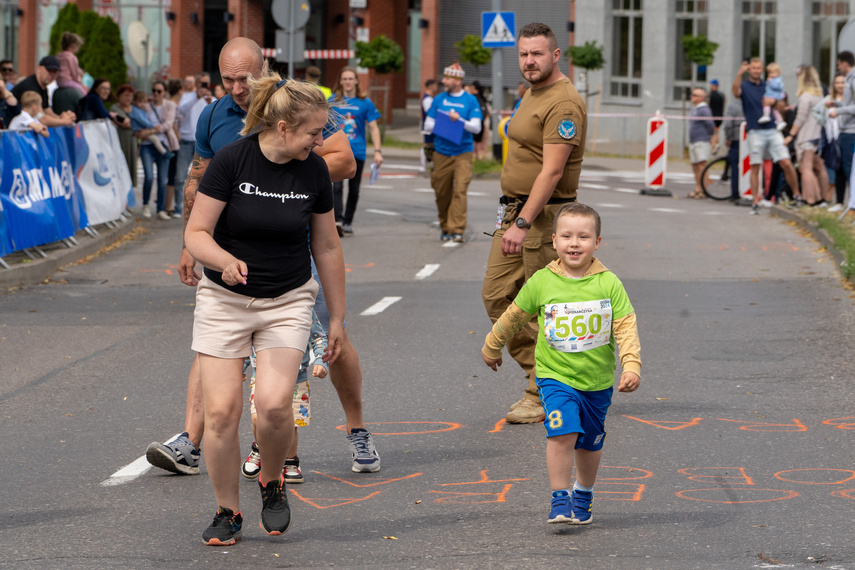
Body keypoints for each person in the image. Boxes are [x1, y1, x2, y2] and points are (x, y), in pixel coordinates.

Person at [146, 37, 378, 480]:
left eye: (245, 78)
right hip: (233, 247)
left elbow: (345, 162)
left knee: (331, 339)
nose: (236, 87)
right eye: (227, 78)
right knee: (214, 346)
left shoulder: (296, 105)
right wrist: (188, 242)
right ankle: (192, 441)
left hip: (293, 241)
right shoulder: (215, 113)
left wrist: (283, 176)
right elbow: (200, 178)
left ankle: (357, 427)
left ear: (265, 69)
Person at [184, 72, 346, 545]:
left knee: (275, 406)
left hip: (288, 299)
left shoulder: (313, 171)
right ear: (281, 127)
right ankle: (228, 511)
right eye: (314, 132)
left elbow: (329, 246)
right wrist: (224, 260)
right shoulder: (232, 161)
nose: (320, 141)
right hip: (223, 300)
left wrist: (336, 317)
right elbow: (196, 234)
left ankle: (271, 482)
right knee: (221, 414)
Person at [481, 202, 641, 525]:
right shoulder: (542, 281)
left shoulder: (609, 284)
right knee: (562, 433)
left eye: (583, 237)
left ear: (597, 243)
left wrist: (631, 364)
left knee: (590, 444)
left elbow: (625, 325)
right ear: (553, 241)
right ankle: (559, 497)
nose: (574, 243)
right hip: (555, 377)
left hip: (596, 382)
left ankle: (584, 492)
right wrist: (492, 344)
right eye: (566, 236)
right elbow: (514, 316)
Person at [482, 22, 586, 424]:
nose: (529, 61)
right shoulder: (532, 92)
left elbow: (553, 171)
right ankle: (547, 378)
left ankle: (541, 392)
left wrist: (523, 223)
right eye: (524, 54)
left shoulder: (563, 102)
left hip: (541, 217)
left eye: (537, 53)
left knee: (544, 306)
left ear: (556, 55)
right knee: (497, 296)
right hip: (515, 212)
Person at [242, 310, 328, 483]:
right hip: (261, 375)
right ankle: (259, 448)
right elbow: (245, 340)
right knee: (258, 418)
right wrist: (240, 365)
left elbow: (318, 337)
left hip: (296, 377)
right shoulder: (256, 306)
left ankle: (290, 461)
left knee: (292, 422)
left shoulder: (302, 308)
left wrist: (320, 360)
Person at [732, 57, 799, 215]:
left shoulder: (769, 84)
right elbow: (735, 92)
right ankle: (756, 201)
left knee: (786, 162)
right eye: (753, 68)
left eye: (758, 68)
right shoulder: (744, 85)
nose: (756, 71)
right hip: (755, 130)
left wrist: (773, 103)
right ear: (749, 70)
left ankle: (797, 195)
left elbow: (782, 105)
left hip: (772, 129)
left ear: (762, 70)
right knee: (755, 166)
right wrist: (738, 74)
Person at [423, 62, 482, 243]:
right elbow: (428, 125)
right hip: (441, 152)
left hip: (463, 152)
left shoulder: (470, 100)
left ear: (457, 80)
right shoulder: (439, 99)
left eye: (447, 78)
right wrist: (447, 121)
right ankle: (445, 226)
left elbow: (476, 127)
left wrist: (459, 121)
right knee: (442, 192)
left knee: (460, 190)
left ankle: (457, 230)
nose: (443, 80)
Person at [329, 66, 383, 235]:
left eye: (351, 79)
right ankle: (337, 220)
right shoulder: (333, 100)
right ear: (340, 81)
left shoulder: (364, 102)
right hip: (337, 151)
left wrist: (378, 151)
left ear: (357, 81)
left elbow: (373, 128)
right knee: (336, 187)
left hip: (357, 152)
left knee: (354, 189)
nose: (347, 82)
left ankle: (347, 220)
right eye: (344, 79)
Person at [785, 66, 830, 206]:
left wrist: (791, 135)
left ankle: (810, 199)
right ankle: (823, 198)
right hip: (818, 136)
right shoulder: (819, 96)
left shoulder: (805, 97)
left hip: (807, 136)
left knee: (806, 168)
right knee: (819, 167)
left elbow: (800, 119)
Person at [174, 72, 215, 220]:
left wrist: (210, 102)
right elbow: (180, 111)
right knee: (180, 176)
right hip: (186, 140)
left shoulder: (212, 99)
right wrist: (197, 97)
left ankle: (201, 210)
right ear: (197, 84)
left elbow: (217, 116)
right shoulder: (188, 97)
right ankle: (178, 207)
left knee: (204, 178)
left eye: (207, 83)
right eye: (202, 83)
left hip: (204, 143)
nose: (204, 87)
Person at [140, 80, 179, 220]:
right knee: (149, 176)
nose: (155, 93)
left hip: (164, 144)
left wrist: (151, 131)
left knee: (163, 180)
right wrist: (148, 132)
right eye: (154, 90)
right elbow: (139, 122)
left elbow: (168, 124)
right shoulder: (146, 106)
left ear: (165, 93)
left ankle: (160, 209)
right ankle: (145, 204)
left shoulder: (170, 105)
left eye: (159, 91)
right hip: (147, 145)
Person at [11, 56, 75, 127]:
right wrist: (63, 121)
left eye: (55, 71)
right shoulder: (31, 87)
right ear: (39, 69)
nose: (52, 74)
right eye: (49, 70)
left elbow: (47, 111)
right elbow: (41, 118)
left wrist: (61, 117)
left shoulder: (43, 88)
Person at [827, 51, 855, 207]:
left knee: (849, 169)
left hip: (851, 131)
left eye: (838, 64)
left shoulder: (853, 80)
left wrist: (839, 111)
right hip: (847, 131)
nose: (838, 67)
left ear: (845, 63)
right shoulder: (850, 79)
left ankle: (852, 205)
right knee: (845, 168)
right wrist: (837, 104)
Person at [687, 88, 717, 199]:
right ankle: (697, 188)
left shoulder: (704, 109)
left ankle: (704, 190)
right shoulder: (694, 108)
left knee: (702, 165)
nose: (692, 97)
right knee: (695, 166)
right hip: (693, 141)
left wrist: (709, 136)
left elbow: (710, 124)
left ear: (701, 97)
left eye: (695, 95)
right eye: (692, 94)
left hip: (701, 140)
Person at [824, 73, 846, 211]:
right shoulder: (829, 99)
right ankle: (839, 201)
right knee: (839, 169)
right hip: (834, 138)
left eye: (842, 82)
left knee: (848, 169)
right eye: (837, 82)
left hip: (847, 135)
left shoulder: (850, 99)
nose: (840, 85)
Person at [111, 84, 140, 189]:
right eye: (125, 95)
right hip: (121, 141)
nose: (128, 98)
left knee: (132, 167)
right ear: (120, 96)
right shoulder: (115, 108)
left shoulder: (134, 109)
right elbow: (127, 123)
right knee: (121, 167)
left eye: (130, 96)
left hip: (133, 141)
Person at [722, 96, 744, 202]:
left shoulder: (733, 105)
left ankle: (735, 194)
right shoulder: (755, 102)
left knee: (735, 167)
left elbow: (728, 124)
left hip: (736, 139)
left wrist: (728, 138)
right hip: (751, 138)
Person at [56, 32, 88, 97]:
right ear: (74, 45)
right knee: (85, 93)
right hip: (67, 81)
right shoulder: (72, 57)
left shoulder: (59, 55)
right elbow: (75, 73)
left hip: (58, 81)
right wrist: (80, 83)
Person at [758, 62, 787, 130]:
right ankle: (780, 121)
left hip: (773, 96)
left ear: (778, 73)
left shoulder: (777, 80)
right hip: (772, 96)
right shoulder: (774, 80)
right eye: (769, 73)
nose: (771, 75)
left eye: (773, 72)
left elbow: (777, 87)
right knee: (774, 110)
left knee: (766, 103)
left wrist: (770, 81)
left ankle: (766, 115)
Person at [469, 81, 492, 160]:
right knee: (482, 143)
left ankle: (477, 158)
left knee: (476, 143)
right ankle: (481, 158)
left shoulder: (473, 98)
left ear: (474, 88)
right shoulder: (482, 99)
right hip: (484, 123)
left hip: (478, 123)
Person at [420, 78, 438, 172]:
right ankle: (423, 165)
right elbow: (430, 112)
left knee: (430, 144)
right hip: (429, 126)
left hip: (431, 126)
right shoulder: (427, 99)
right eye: (435, 86)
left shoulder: (430, 98)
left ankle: (428, 164)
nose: (437, 88)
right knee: (427, 145)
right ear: (431, 86)